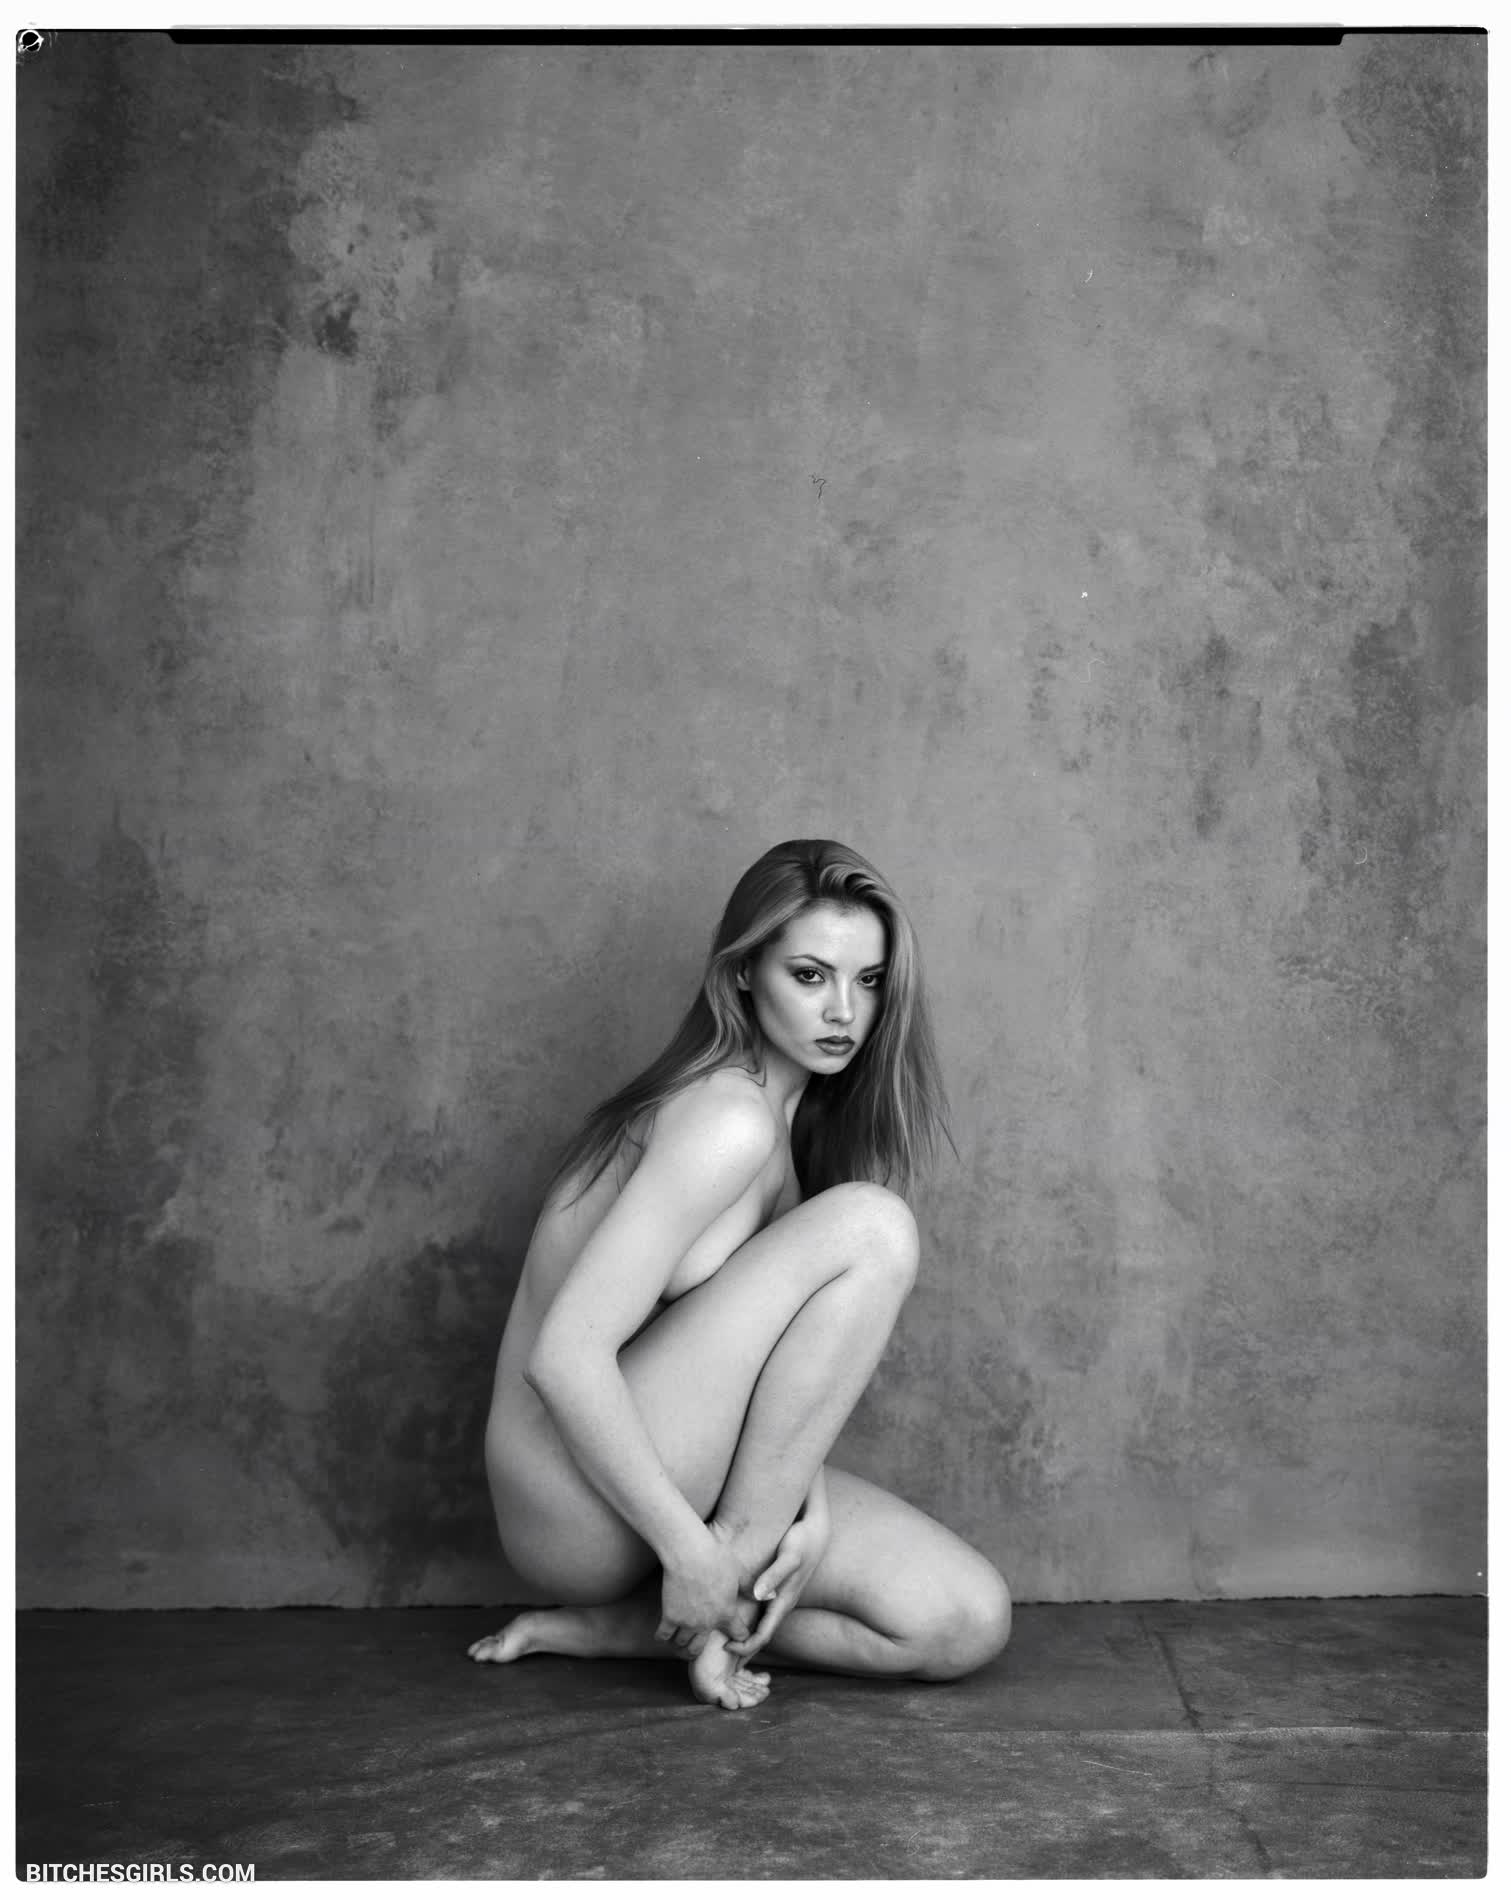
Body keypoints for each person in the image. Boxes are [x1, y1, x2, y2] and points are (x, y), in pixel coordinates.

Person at [470, 839, 1011, 1710]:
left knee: (961, 1618)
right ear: (741, 975)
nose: (844, 1010)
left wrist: (807, 1501)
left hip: (677, 1470)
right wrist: (697, 1554)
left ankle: (638, 1628)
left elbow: (756, 1374)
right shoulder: (726, 1119)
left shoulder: (786, 1127)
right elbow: (564, 1359)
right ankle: (710, 1602)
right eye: (809, 975)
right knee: (874, 1227)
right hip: (569, 1498)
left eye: (869, 981)